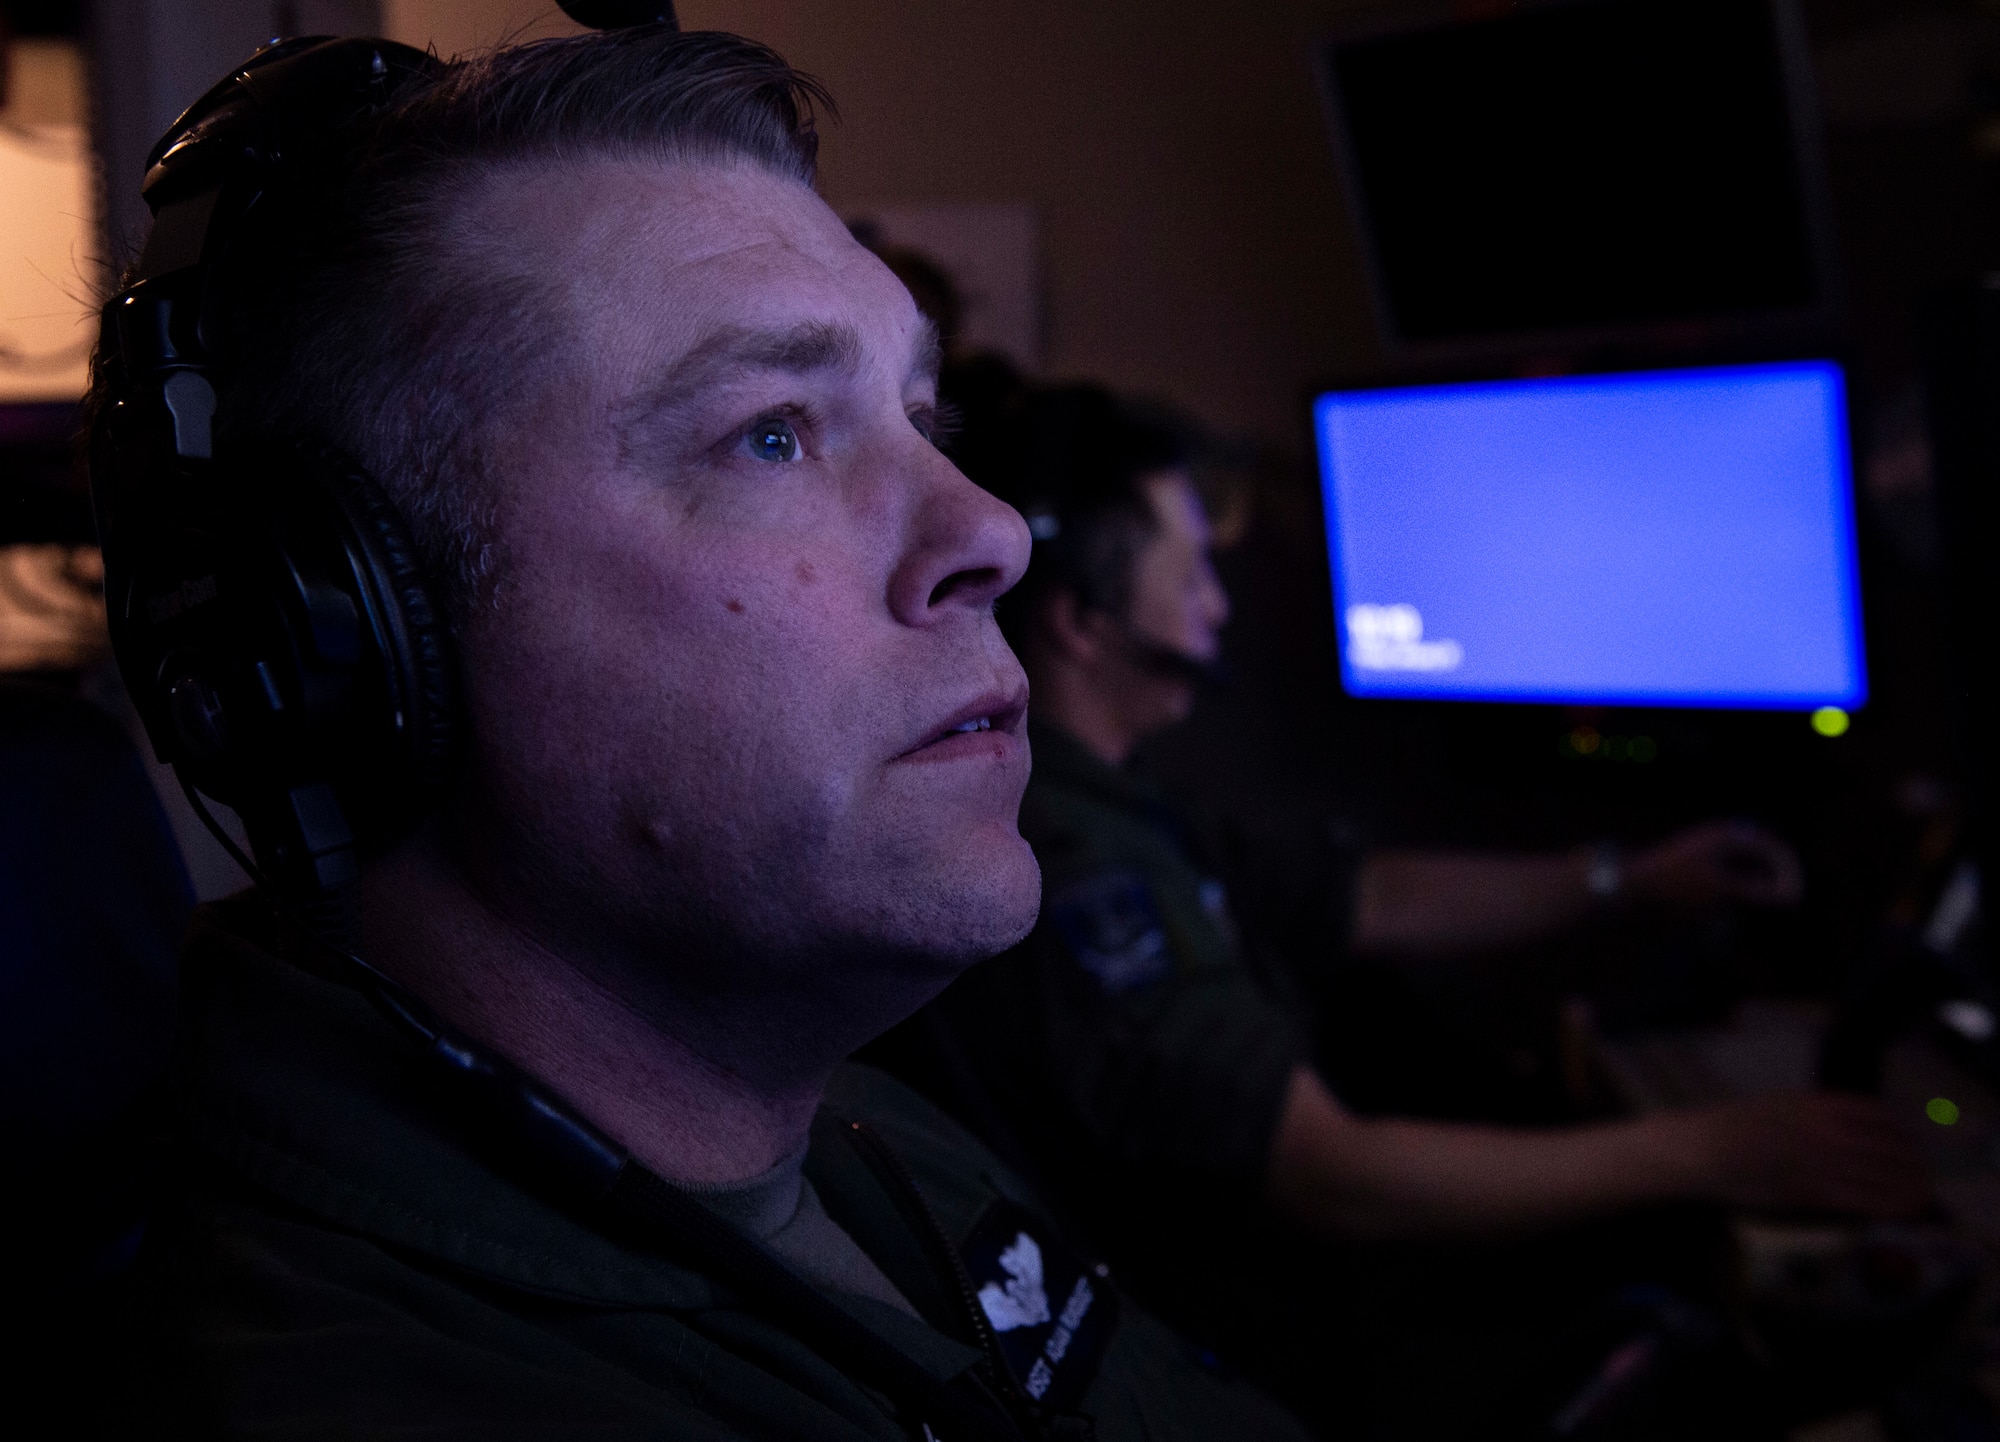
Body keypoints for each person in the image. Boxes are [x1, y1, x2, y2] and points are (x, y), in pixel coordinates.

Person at [94, 27, 1314, 1442]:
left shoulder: (855, 1129)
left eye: (922, 414)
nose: (986, 532)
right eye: (775, 434)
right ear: (341, 640)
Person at [865, 381, 1931, 1438]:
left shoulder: (1107, 791)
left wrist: (1624, 875)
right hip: (1243, 1358)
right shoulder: (1080, 860)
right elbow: (1336, 1176)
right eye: (1189, 578)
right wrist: (1706, 1151)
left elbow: (1357, 896)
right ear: (1083, 623)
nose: (1217, 611)